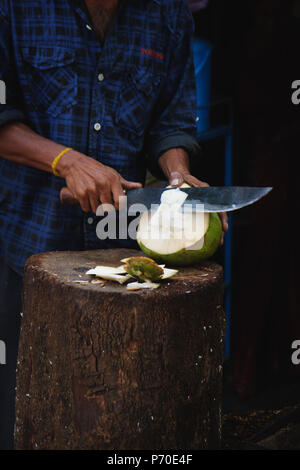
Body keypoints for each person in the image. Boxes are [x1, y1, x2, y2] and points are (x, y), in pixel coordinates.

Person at [0, 0, 227, 449]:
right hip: (25, 242)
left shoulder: (167, 14)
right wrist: (65, 161)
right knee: (20, 414)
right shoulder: (15, 8)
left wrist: (176, 174)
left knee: (111, 416)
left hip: (119, 256)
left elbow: (172, 121)